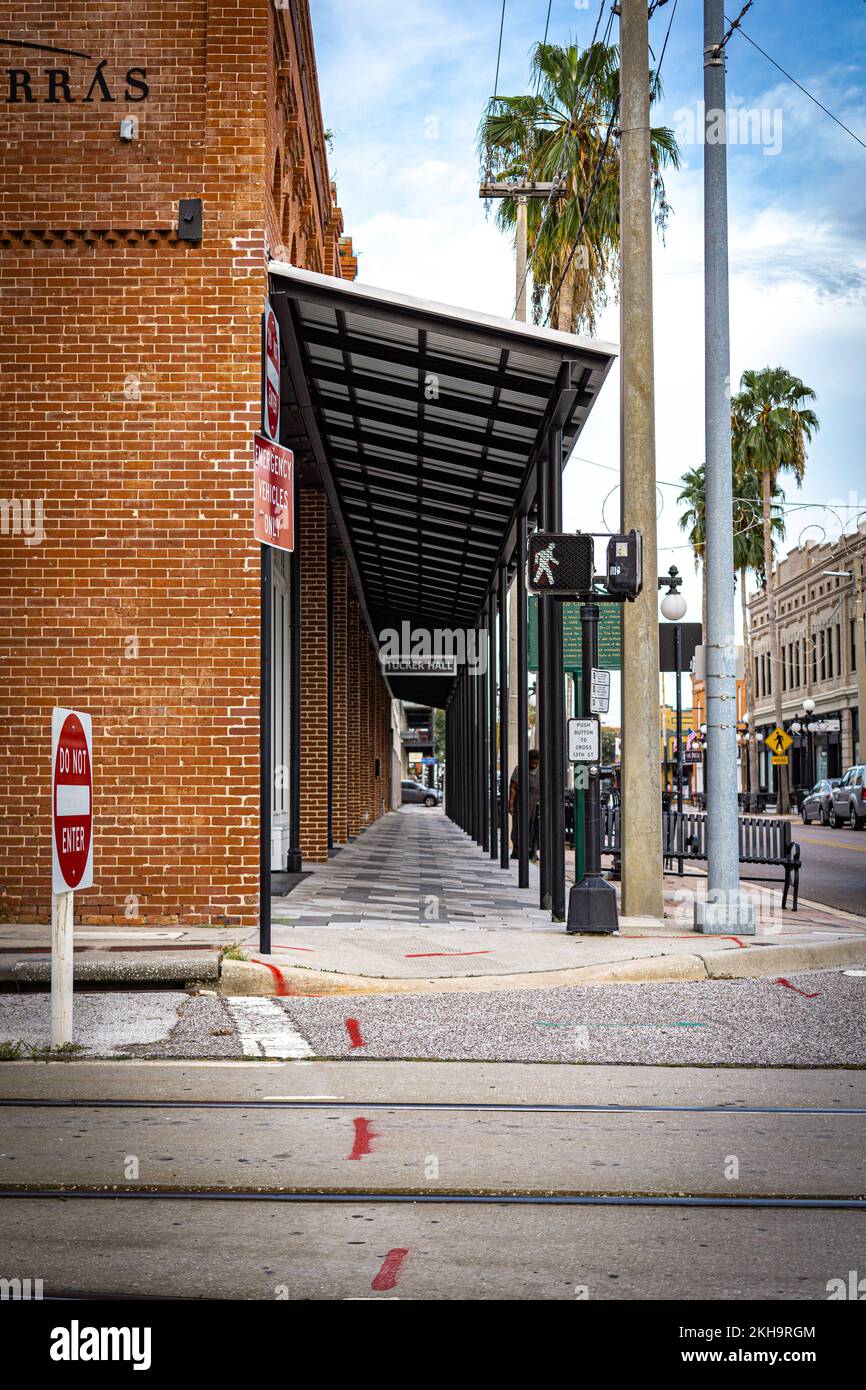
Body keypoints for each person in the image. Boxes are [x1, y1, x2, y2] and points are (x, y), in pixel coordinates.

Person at [508, 749, 540, 862]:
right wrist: (511, 804)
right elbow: (513, 787)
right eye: (532, 762)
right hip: (521, 804)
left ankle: (532, 851)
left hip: (536, 805)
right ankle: (518, 850)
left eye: (536, 763)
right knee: (519, 827)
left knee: (534, 828)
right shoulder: (519, 769)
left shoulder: (540, 770)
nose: (534, 765)